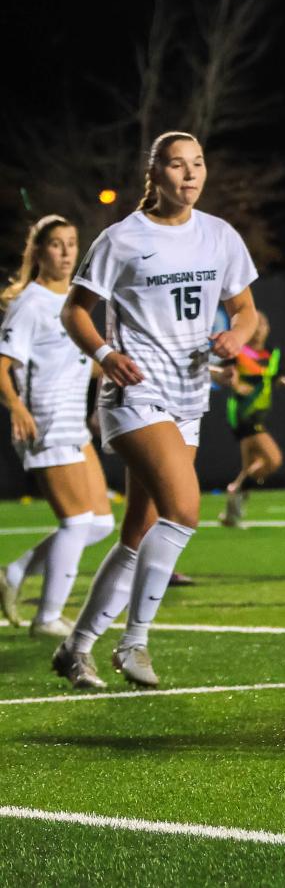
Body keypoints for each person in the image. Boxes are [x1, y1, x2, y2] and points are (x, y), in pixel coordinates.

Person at [55, 132, 261, 690]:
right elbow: (74, 312)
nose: (190, 175)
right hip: (134, 395)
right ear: (156, 173)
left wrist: (235, 340)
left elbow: (245, 313)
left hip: (189, 397)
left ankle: (75, 649)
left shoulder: (219, 236)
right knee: (185, 510)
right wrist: (104, 353)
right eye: (177, 165)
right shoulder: (122, 239)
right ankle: (135, 643)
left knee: (138, 531)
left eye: (197, 164)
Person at [0, 216, 116, 637]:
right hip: (46, 420)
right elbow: (3, 366)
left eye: (72, 244)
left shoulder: (73, 301)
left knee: (100, 524)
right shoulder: (29, 303)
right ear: (39, 252)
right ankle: (46, 617)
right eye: (56, 245)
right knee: (75, 522)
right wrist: (16, 406)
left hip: (73, 421)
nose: (66, 253)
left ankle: (13, 573)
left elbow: (76, 365)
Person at [217, 312, 285, 527]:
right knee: (273, 459)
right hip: (243, 413)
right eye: (257, 324)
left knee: (251, 464)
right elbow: (226, 374)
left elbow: (276, 378)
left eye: (264, 324)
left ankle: (232, 514)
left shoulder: (272, 353)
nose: (261, 328)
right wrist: (235, 385)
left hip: (259, 413)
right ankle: (237, 488)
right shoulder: (239, 351)